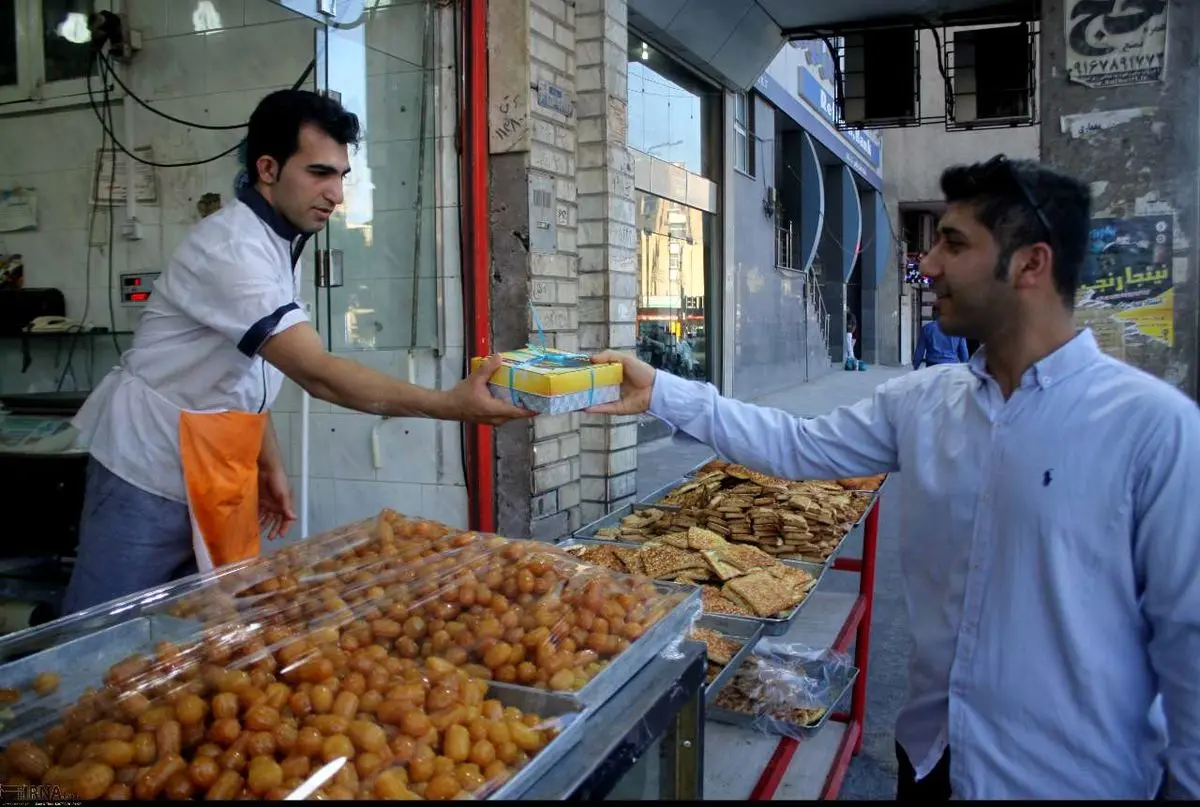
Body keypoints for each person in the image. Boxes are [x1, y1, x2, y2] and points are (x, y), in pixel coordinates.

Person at [589, 155, 1200, 800]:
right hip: (932, 759)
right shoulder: (925, 402)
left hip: (1075, 781)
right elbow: (796, 445)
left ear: (1030, 264)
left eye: (954, 243)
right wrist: (660, 389)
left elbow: (1189, 641)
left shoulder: (1155, 430)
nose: (928, 264)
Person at [65, 89, 532, 614]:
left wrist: (270, 464)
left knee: (192, 636)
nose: (334, 194)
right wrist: (452, 406)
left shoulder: (278, 240)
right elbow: (318, 374)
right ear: (267, 167)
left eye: (340, 176)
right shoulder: (232, 250)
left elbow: (243, 368)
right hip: (146, 471)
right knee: (101, 631)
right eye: (318, 173)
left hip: (215, 465)